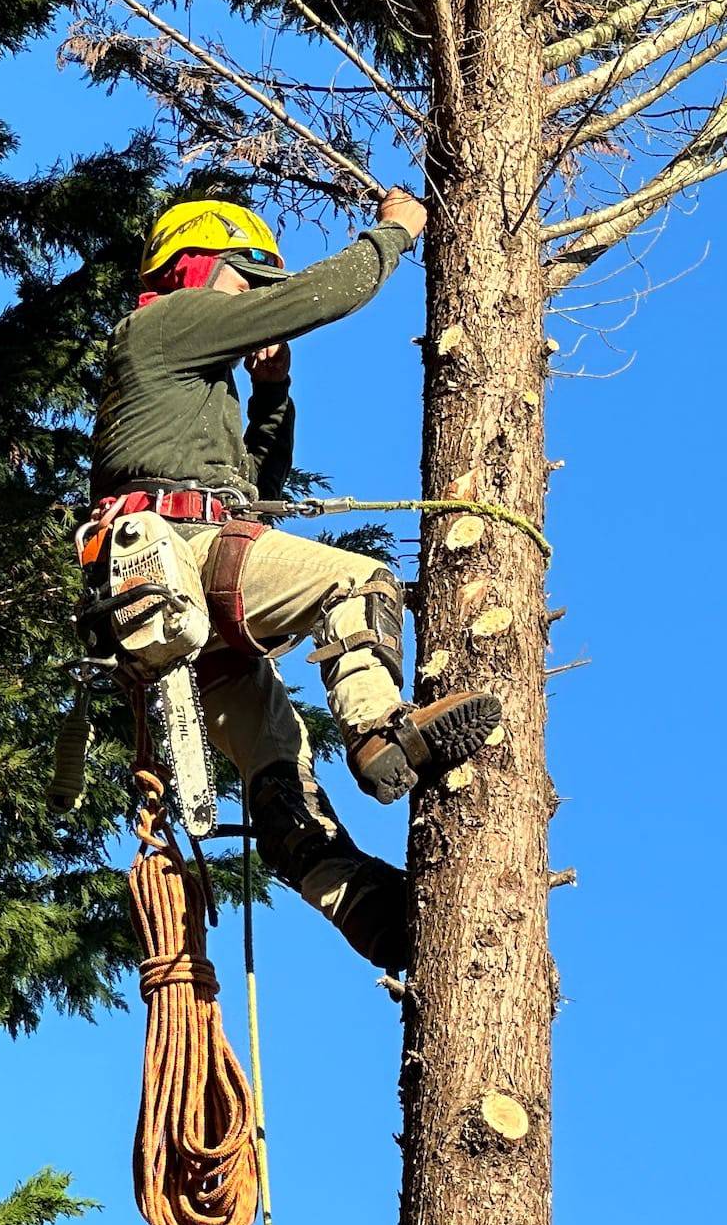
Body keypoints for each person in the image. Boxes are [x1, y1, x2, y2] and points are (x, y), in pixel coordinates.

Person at [87, 188, 500, 974]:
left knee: (281, 774)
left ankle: (372, 915)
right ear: (203, 265)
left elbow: (254, 495)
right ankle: (379, 729)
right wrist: (395, 231)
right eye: (250, 283)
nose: (256, 306)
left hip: (175, 589)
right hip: (184, 551)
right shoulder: (164, 323)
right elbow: (323, 296)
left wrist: (272, 393)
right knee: (360, 583)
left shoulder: (186, 386)